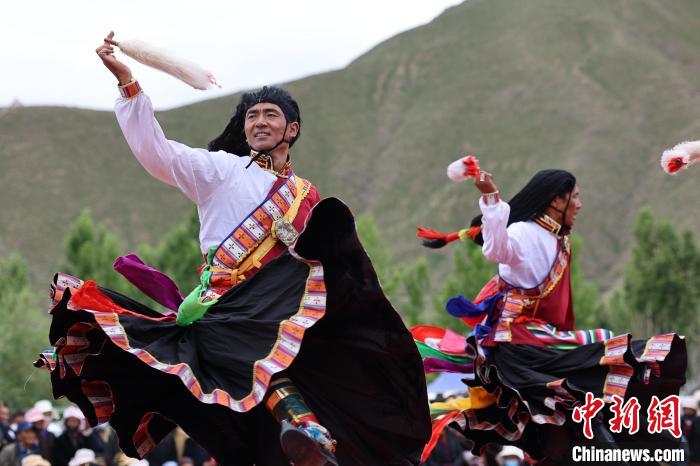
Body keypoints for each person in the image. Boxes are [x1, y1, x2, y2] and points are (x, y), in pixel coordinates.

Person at [36, 32, 430, 466]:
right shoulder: (221, 171)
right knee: (238, 362)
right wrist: (128, 83)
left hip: (284, 307)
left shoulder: (306, 194)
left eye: (270, 114)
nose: (259, 121)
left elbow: (327, 259)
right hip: (225, 306)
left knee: (334, 380)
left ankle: (317, 434)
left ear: (292, 129)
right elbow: (158, 153)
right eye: (251, 116)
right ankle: (304, 429)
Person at [414, 168, 686, 463]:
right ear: (557, 201)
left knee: (597, 381)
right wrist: (491, 197)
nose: (579, 205)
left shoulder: (557, 239)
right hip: (518, 346)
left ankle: (647, 442)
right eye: (575, 197)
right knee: (611, 357)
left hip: (539, 341)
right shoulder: (523, 233)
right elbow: (496, 249)